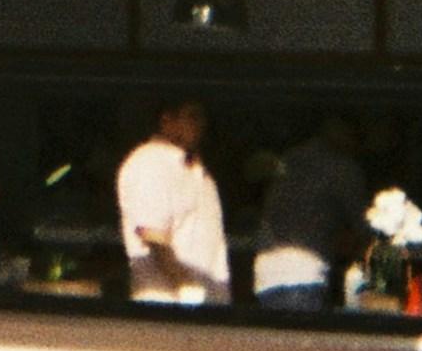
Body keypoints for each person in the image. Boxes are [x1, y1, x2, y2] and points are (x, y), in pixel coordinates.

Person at [114, 98, 226, 307]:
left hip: (207, 308)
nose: (201, 124)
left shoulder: (194, 167)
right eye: (192, 116)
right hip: (170, 310)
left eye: (202, 117)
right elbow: (153, 235)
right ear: (167, 121)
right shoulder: (151, 163)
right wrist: (189, 293)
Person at [251, 112, 369, 307]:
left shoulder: (290, 159)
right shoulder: (342, 168)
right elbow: (364, 224)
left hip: (265, 269)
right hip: (302, 272)